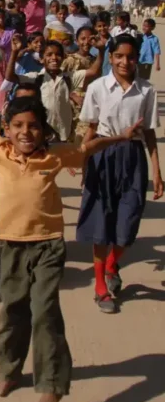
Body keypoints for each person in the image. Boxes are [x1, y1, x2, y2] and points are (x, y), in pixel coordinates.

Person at [0, 97, 142, 402]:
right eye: (18, 126)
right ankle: (9, 372)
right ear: (6, 130)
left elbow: (87, 149)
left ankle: (52, 384)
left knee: (44, 312)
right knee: (12, 310)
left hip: (48, 246)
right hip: (12, 246)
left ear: (44, 131)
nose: (26, 132)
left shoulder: (53, 155)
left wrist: (122, 137)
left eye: (34, 126)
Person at [77, 34, 163, 314]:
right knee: (102, 223)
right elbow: (90, 128)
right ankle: (101, 286)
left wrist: (157, 172)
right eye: (119, 56)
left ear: (137, 57)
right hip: (102, 155)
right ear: (111, 58)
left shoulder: (146, 90)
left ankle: (113, 263)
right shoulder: (98, 88)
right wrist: (83, 161)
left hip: (133, 158)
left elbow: (149, 134)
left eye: (130, 56)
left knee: (128, 222)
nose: (125, 62)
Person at [4, 37, 103, 142]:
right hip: (42, 134)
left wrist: (101, 50)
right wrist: (14, 52)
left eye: (58, 54)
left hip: (64, 134)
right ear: (42, 59)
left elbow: (94, 72)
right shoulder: (36, 78)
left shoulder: (68, 78)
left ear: (64, 58)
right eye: (49, 54)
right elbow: (10, 77)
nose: (54, 58)